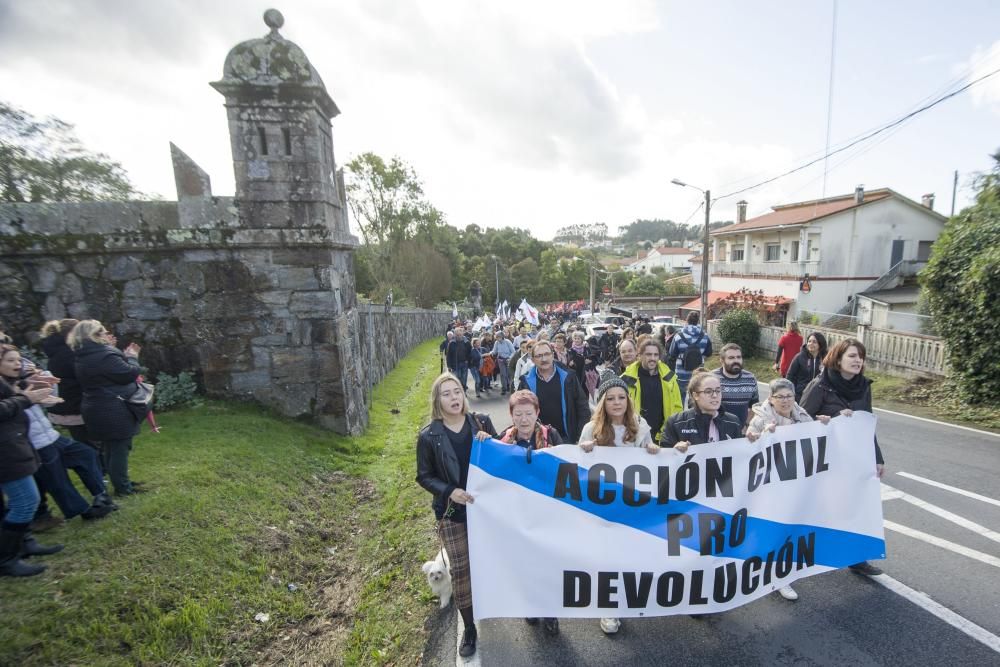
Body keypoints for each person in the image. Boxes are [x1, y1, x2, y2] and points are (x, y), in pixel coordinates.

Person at [415, 373, 497, 658]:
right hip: (453, 512)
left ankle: (499, 605)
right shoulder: (429, 436)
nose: (454, 398)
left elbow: (500, 459)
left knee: (490, 561)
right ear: (437, 401)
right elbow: (424, 476)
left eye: (457, 391)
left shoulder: (481, 422)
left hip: (486, 509)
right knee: (461, 570)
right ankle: (469, 628)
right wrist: (449, 490)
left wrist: (491, 441)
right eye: (446, 394)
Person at [578, 377, 665, 634]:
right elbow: (577, 467)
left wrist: (651, 450)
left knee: (627, 555)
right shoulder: (590, 429)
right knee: (607, 557)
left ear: (628, 400)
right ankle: (608, 609)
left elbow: (650, 456)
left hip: (631, 505)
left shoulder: (640, 426)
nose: (617, 403)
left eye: (621, 397)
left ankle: (625, 598)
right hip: (603, 507)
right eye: (611, 398)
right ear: (603, 402)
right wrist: (583, 450)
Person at [800, 338, 885, 576]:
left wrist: (877, 457)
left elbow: (867, 424)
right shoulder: (820, 386)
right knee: (820, 509)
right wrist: (834, 418)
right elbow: (802, 421)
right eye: (852, 356)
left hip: (853, 459)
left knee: (857, 506)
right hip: (824, 460)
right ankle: (799, 555)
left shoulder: (863, 386)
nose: (858, 360)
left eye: (860, 356)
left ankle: (857, 558)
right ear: (838, 359)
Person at [0, 346, 115, 521]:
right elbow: (11, 412)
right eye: (10, 360)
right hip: (34, 443)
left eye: (18, 359)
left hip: (51, 436)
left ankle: (101, 496)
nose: (17, 363)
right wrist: (26, 396)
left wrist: (46, 382)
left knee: (86, 454)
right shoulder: (7, 389)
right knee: (57, 479)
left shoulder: (22, 382)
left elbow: (48, 403)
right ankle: (83, 511)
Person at [746, 378, 832, 601]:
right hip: (769, 485)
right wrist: (763, 435)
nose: (785, 401)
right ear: (770, 399)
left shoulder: (803, 416)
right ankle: (767, 573)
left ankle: (782, 576)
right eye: (779, 397)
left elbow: (816, 444)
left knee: (790, 531)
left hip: (796, 485)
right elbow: (748, 449)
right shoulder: (760, 420)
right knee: (771, 530)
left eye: (789, 396)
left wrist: (825, 426)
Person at [496, 390, 562, 635]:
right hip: (518, 516)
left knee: (548, 564)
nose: (524, 419)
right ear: (511, 415)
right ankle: (530, 605)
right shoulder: (501, 441)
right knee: (524, 563)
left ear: (537, 413)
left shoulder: (551, 435)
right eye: (518, 414)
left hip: (547, 513)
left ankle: (551, 611)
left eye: (529, 413)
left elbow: (568, 466)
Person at [0, 359, 62, 577]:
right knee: (26, 501)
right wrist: (25, 398)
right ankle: (6, 558)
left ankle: (24, 543)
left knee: (17, 502)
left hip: (13, 442)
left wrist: (26, 383)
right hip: (6, 449)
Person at [71, 320, 146, 497]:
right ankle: (123, 488)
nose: (107, 334)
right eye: (104, 332)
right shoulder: (103, 355)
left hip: (97, 406)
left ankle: (121, 482)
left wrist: (113, 349)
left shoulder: (84, 353)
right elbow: (129, 373)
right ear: (95, 335)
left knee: (110, 448)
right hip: (112, 408)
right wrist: (133, 356)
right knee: (119, 448)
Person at [518, 341, 591, 442]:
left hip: (568, 438)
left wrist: (581, 437)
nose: (544, 359)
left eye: (547, 354)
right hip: (539, 440)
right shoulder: (526, 382)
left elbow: (582, 407)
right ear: (533, 359)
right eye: (539, 356)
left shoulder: (569, 377)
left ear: (553, 355)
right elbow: (519, 412)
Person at [620, 340, 684, 445]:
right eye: (648, 354)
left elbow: (678, 407)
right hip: (635, 436)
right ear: (639, 355)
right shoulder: (626, 379)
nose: (652, 358)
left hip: (663, 435)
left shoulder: (670, 379)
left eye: (656, 355)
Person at [712, 343, 759, 429]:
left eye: (738, 357)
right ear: (722, 361)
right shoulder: (712, 378)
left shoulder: (750, 378)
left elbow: (754, 406)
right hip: (717, 430)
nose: (736, 361)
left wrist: (747, 425)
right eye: (731, 358)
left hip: (741, 431)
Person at [667, 312, 713, 397]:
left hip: (681, 372)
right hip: (699, 372)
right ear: (697, 321)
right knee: (698, 395)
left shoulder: (679, 336)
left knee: (681, 396)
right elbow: (709, 353)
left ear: (686, 321)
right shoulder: (705, 336)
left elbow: (672, 354)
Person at [786, 332, 828, 401]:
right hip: (800, 395)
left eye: (814, 342)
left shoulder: (826, 359)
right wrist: (791, 393)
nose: (811, 344)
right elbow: (790, 376)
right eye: (809, 341)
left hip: (818, 396)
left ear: (820, 344)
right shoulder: (799, 357)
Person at [446, 327, 473, 392]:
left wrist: (469, 361)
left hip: (464, 363)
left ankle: (463, 391)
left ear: (462, 334)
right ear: (455, 335)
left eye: (460, 335)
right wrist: (449, 366)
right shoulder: (451, 343)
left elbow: (470, 352)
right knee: (458, 379)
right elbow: (448, 355)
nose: (459, 336)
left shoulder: (467, 342)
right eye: (457, 335)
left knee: (464, 379)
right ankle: (460, 391)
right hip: (455, 364)